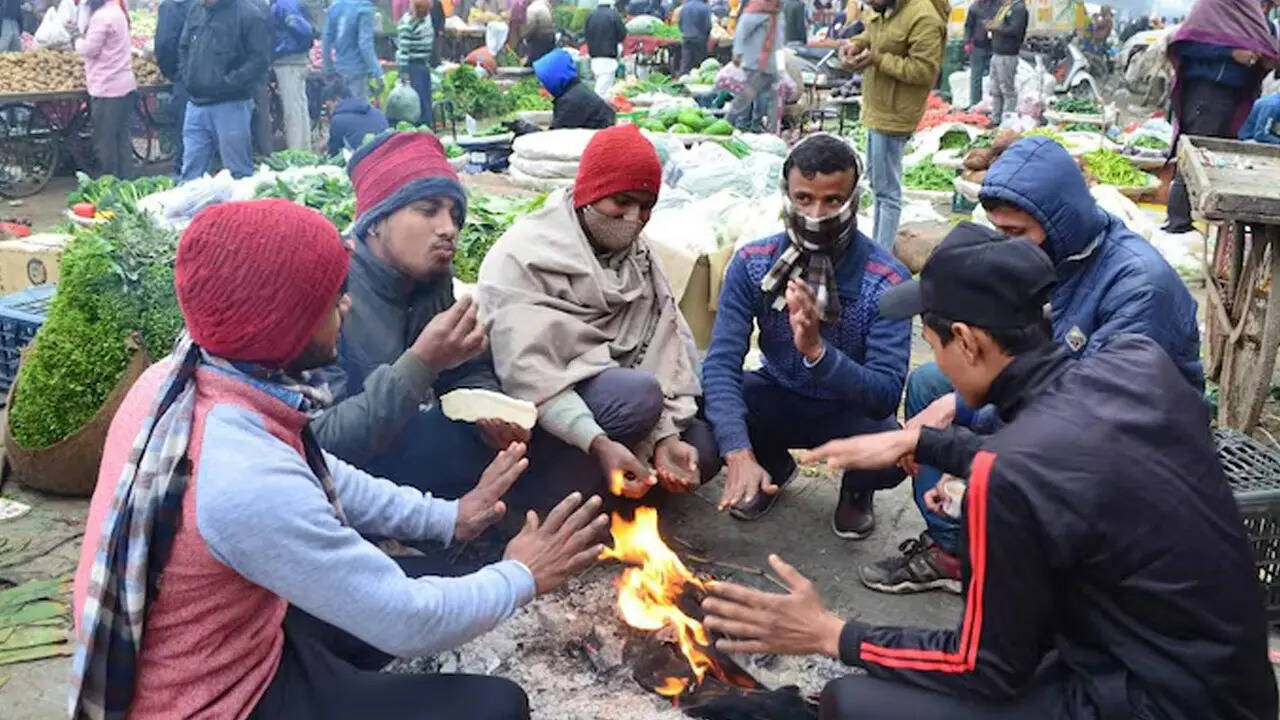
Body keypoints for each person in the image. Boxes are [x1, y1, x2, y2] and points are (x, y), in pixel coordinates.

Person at [698, 222, 1278, 720]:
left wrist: (830, 633)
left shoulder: (1011, 478)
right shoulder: (1137, 364)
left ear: (969, 342)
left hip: (1152, 703)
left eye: (934, 343)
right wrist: (924, 441)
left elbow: (983, 666)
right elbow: (1070, 462)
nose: (938, 364)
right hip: (1227, 678)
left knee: (851, 702)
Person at [67, 199, 610, 720]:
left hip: (229, 646)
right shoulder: (240, 476)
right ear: (284, 320)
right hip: (217, 705)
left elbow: (316, 467)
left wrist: (449, 517)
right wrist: (522, 574)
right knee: (498, 707)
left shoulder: (181, 377)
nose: (345, 307)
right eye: (330, 301)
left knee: (423, 570)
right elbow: (408, 619)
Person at [862, 136, 1203, 595]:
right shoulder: (1054, 259)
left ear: (1059, 221)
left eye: (1016, 234)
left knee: (955, 421)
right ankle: (952, 550)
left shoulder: (1138, 288)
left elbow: (1086, 412)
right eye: (999, 233)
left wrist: (962, 437)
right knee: (929, 382)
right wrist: (956, 408)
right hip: (1061, 398)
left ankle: (994, 542)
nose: (1006, 247)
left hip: (1127, 442)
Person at [477, 124, 721, 505]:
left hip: (625, 402)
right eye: (621, 201)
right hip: (546, 415)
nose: (632, 217)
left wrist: (665, 438)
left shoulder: (640, 260)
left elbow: (669, 348)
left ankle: (622, 483)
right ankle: (547, 498)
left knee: (702, 446)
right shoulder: (524, 256)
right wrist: (598, 441)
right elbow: (528, 376)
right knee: (637, 396)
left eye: (645, 206)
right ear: (590, 192)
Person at [702, 134, 909, 528]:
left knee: (892, 447)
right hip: (778, 394)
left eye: (833, 200)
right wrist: (737, 452)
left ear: (854, 200)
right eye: (803, 198)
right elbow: (722, 360)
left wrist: (817, 351)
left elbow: (884, 394)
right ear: (786, 195)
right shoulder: (753, 263)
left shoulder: (885, 279)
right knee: (707, 397)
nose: (816, 214)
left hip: (849, 410)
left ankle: (857, 490)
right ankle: (770, 468)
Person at [312, 131, 529, 504]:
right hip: (339, 480)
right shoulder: (328, 288)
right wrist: (422, 363)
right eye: (428, 210)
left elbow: (465, 368)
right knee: (441, 437)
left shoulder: (433, 281)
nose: (448, 229)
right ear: (376, 222)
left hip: (402, 453)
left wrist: (489, 409)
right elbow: (320, 441)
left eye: (455, 215)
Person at [838, 0, 946, 251]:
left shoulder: (924, 17)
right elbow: (873, 34)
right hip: (877, 109)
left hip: (896, 113)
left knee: (887, 193)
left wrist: (876, 58)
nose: (870, 3)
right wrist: (856, 44)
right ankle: (878, 246)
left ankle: (881, 256)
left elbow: (924, 71)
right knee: (878, 185)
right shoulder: (885, 9)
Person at [1163, 0, 1277, 233]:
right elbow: (1186, 45)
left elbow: (1270, 54)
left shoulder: (1260, 20)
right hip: (1207, 92)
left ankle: (1212, 221)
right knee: (1193, 155)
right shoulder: (1212, 6)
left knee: (1222, 161)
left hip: (1239, 97)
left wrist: (1263, 59)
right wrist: (1230, 53)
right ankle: (1178, 223)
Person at [177, 0, 271, 181]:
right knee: (190, 172)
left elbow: (259, 60)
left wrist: (229, 83)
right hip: (196, 104)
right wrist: (187, 75)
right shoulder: (196, 10)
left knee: (238, 172)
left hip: (232, 105)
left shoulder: (249, 14)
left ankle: (241, 208)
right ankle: (192, 208)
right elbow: (183, 47)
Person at [78, 0, 137, 179]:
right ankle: (126, 181)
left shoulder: (102, 17)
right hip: (124, 85)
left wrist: (77, 42)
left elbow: (90, 49)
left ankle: (109, 183)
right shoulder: (117, 12)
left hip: (108, 87)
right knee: (122, 140)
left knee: (105, 142)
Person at [728, 0, 783, 131]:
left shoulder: (775, 15)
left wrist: (780, 66)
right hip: (753, 64)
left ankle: (762, 129)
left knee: (767, 99)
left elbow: (778, 42)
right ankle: (732, 125)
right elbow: (741, 33)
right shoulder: (754, 13)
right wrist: (738, 54)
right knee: (744, 99)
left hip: (769, 66)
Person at [534, 49, 617, 129]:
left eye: (544, 81)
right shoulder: (574, 92)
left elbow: (555, 137)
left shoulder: (571, 102)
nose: (542, 85)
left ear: (553, 78)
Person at [155, 0, 193, 169]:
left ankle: (186, 174)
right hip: (211, 78)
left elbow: (164, 45)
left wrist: (173, 73)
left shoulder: (170, 7)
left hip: (184, 78)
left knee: (187, 132)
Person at [271, 0, 315, 150]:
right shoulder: (290, 3)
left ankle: (296, 149)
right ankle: (305, 148)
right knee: (300, 106)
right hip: (296, 60)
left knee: (292, 110)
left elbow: (304, 30)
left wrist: (285, 49)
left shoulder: (282, 5)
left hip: (288, 61)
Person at [323, 0, 384, 101]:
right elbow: (365, 44)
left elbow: (326, 39)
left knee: (341, 108)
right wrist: (377, 72)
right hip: (357, 70)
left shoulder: (335, 6)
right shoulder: (365, 8)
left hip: (339, 69)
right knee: (357, 110)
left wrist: (328, 67)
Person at [986, 0, 1027, 123]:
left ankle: (1007, 120)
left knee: (1007, 90)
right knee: (995, 89)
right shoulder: (1005, 7)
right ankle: (995, 118)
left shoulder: (1019, 9)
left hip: (1008, 54)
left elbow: (1014, 30)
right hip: (997, 52)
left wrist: (996, 27)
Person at [324, 76, 388, 154]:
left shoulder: (338, 120)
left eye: (329, 107)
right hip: (386, 155)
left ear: (337, 100)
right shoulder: (376, 112)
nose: (330, 112)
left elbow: (334, 152)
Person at [397, 0, 435, 127]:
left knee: (426, 101)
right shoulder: (407, 24)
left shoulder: (426, 19)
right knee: (416, 102)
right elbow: (403, 51)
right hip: (412, 67)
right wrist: (404, 73)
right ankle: (417, 128)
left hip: (424, 65)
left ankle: (427, 126)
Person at [584, 0, 627, 98]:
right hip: (609, 56)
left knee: (600, 82)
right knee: (603, 89)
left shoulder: (590, 16)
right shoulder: (614, 15)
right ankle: (596, 108)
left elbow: (585, 34)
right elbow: (622, 35)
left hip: (594, 56)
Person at [963, 0, 995, 109]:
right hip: (978, 46)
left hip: (995, 46)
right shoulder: (974, 7)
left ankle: (992, 104)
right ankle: (975, 103)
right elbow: (968, 26)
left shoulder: (998, 4)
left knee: (995, 76)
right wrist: (967, 41)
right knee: (976, 76)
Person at [680, 0, 713, 72]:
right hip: (700, 39)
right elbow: (708, 26)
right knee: (699, 64)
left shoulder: (685, 6)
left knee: (686, 62)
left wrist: (684, 31)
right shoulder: (705, 8)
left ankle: (683, 77)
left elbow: (680, 23)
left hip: (686, 37)